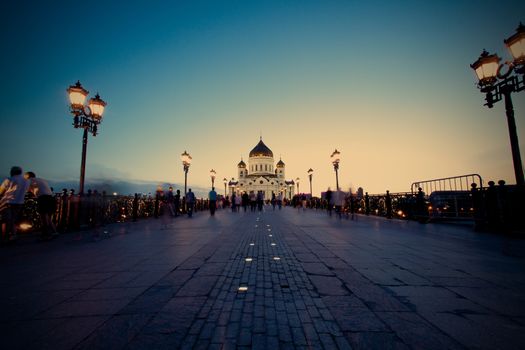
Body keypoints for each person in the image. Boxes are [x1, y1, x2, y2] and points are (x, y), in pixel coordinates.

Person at [0, 166, 30, 242]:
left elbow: (1, 191)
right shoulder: (26, 181)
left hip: (8, 202)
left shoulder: (9, 179)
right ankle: (13, 234)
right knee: (13, 219)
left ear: (12, 172)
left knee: (6, 220)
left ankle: (5, 237)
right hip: (19, 202)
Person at [25, 171, 57, 239]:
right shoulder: (41, 179)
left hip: (43, 198)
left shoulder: (29, 180)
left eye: (25, 177)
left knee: (44, 217)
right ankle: (54, 232)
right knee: (47, 217)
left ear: (28, 176)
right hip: (51, 198)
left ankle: (47, 235)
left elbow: (25, 190)